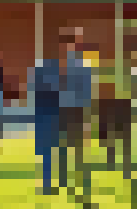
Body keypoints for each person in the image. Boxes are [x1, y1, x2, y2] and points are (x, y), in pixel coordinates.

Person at [29, 44, 66, 193]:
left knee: (50, 153)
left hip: (48, 116)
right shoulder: (54, 73)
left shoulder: (43, 72)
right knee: (54, 151)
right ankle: (53, 182)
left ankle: (49, 182)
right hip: (51, 116)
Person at [59, 40, 94, 188]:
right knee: (66, 148)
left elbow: (87, 94)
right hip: (67, 111)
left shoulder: (82, 68)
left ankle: (80, 179)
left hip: (76, 111)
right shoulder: (63, 68)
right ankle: (68, 179)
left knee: (77, 148)